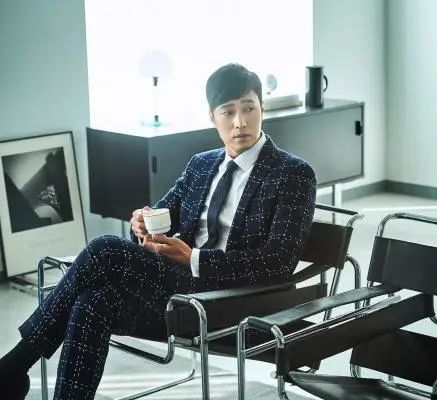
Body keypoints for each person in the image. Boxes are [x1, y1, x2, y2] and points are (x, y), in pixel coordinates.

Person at [0, 63, 317, 400]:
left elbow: (278, 262)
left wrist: (193, 258)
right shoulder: (201, 165)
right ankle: (23, 376)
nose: (240, 122)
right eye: (228, 111)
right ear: (212, 117)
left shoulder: (292, 174)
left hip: (236, 302)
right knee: (93, 302)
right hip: (182, 292)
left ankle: (14, 366)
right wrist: (142, 222)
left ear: (262, 109)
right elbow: (162, 216)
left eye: (249, 108)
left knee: (105, 249)